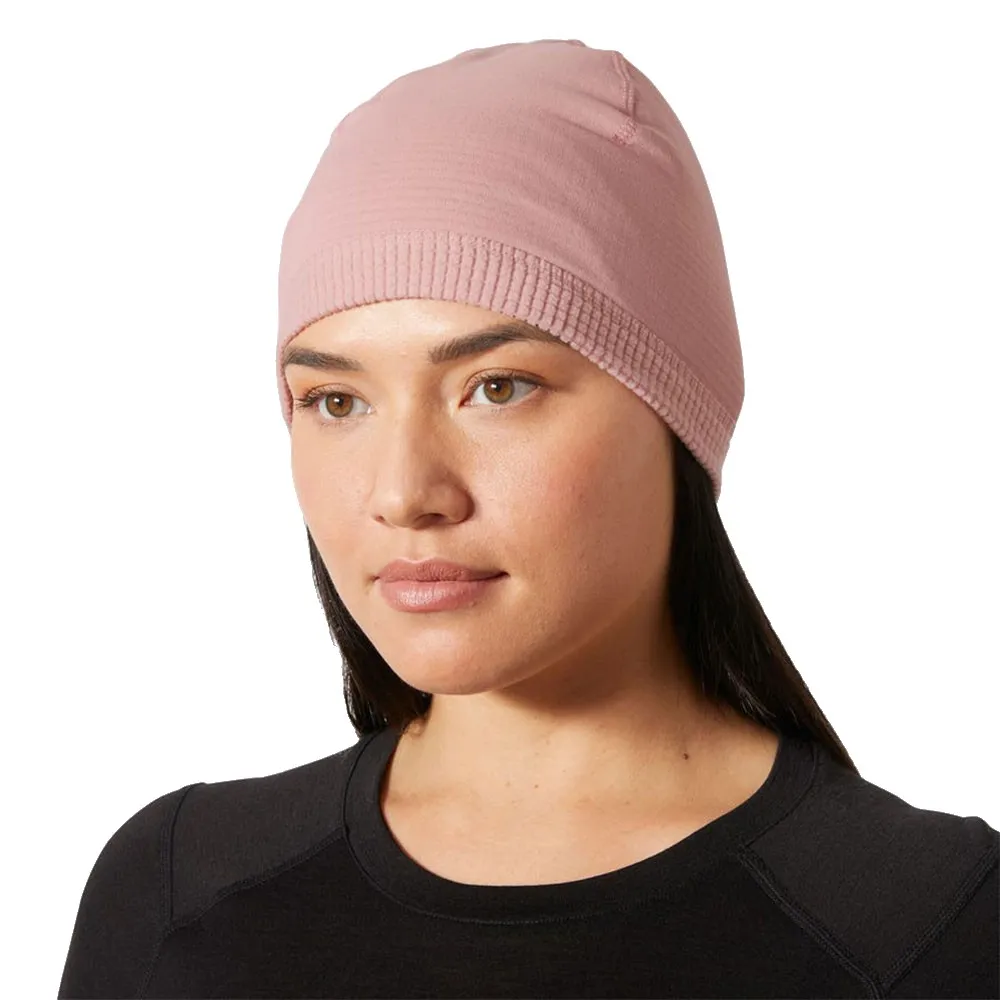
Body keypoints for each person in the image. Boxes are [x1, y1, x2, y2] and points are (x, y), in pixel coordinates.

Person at [58, 38, 998, 999]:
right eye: (337, 401)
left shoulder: (940, 931)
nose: (404, 492)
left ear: (676, 409)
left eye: (498, 387)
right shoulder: (175, 896)